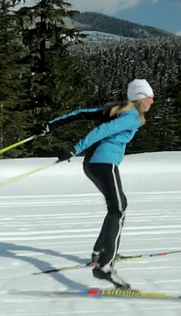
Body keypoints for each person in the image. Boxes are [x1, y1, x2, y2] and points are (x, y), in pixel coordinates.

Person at [41, 79, 155, 289]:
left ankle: (99, 252)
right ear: (140, 98)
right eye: (150, 97)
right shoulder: (132, 117)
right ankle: (105, 265)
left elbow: (80, 113)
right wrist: (75, 149)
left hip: (93, 165)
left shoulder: (116, 110)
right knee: (118, 209)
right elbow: (100, 132)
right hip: (104, 164)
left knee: (118, 206)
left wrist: (53, 124)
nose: (152, 101)